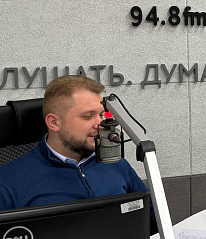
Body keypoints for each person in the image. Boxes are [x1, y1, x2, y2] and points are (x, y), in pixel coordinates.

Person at [0, 76, 153, 223]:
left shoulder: (115, 162)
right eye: (88, 116)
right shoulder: (8, 181)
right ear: (54, 123)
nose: (100, 124)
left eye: (101, 115)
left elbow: (153, 217)